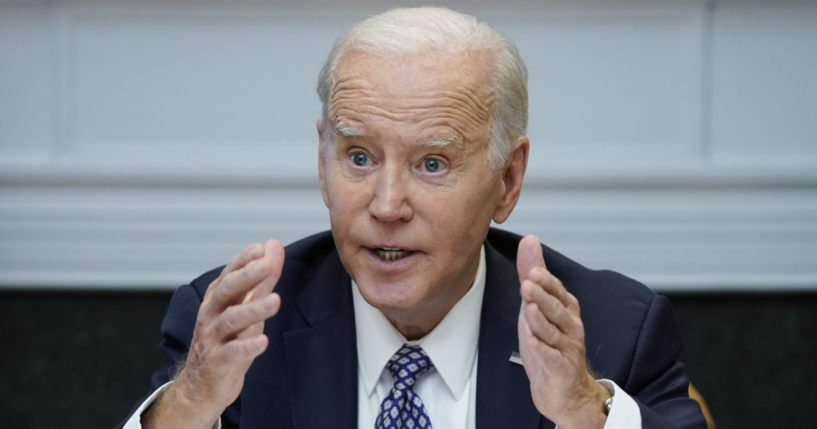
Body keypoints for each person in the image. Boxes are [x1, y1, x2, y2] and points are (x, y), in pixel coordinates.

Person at [119, 7, 706, 429]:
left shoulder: (614, 329)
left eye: (431, 163)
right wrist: (190, 407)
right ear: (322, 162)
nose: (386, 206)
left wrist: (585, 413)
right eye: (359, 157)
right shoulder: (240, 331)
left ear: (507, 180)